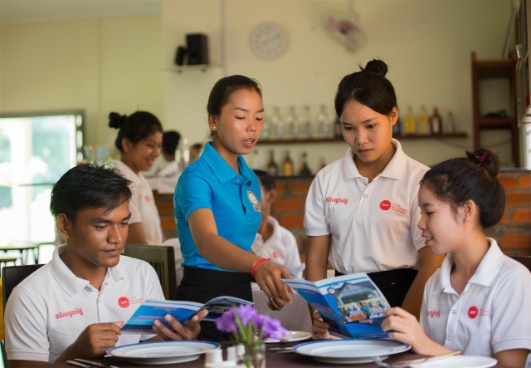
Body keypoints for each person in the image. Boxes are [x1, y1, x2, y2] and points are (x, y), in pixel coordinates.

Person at [4, 164, 207, 367]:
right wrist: (75, 353)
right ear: (65, 225)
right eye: (101, 226)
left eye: (123, 223)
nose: (117, 238)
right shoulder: (29, 297)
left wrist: (177, 339)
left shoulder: (141, 273)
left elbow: (150, 347)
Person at [305, 60, 444, 339]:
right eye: (349, 128)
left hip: (404, 299)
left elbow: (432, 263)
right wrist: (320, 316)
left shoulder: (420, 180)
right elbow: (316, 264)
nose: (360, 139)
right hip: (341, 302)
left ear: (393, 116)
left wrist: (404, 323)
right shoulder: (326, 180)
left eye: (370, 126)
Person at [381, 149, 531, 368]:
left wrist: (428, 347)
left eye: (429, 212)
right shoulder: (434, 283)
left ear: (467, 210)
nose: (420, 224)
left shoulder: (513, 281)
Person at [174, 75, 293, 341]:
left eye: (259, 118)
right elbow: (207, 241)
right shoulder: (196, 177)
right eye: (241, 117)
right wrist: (258, 265)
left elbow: (236, 244)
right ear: (213, 120)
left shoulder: (248, 176)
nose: (252, 127)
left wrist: (267, 276)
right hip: (203, 301)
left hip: (240, 296)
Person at [108, 110, 164, 245]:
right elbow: (138, 247)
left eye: (159, 146)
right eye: (150, 145)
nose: (156, 153)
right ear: (127, 144)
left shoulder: (140, 179)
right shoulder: (120, 178)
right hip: (142, 262)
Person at [251, 169, 303, 278]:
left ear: (271, 195)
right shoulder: (236, 236)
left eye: (252, 190)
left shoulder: (286, 238)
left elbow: (296, 282)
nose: (247, 197)